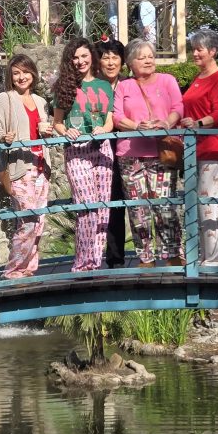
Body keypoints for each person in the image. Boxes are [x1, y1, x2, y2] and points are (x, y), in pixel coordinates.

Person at [114, 39, 184, 267]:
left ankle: (173, 253)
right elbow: (116, 116)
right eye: (141, 57)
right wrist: (137, 126)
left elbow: (178, 108)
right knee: (137, 209)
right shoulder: (124, 86)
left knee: (165, 206)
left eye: (150, 56)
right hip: (130, 154)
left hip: (161, 151)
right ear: (131, 63)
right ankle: (145, 257)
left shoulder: (167, 80)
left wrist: (166, 122)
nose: (147, 60)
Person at [0, 55, 53, 278]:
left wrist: (49, 131)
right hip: (20, 167)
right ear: (10, 77)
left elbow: (44, 129)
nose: (21, 77)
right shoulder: (4, 99)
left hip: (42, 168)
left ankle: (29, 268)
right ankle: (13, 270)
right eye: (16, 73)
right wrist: (3, 137)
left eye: (25, 72)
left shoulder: (41, 101)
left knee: (39, 221)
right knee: (27, 220)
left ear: (33, 74)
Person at [52, 38, 114, 271]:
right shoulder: (64, 87)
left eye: (84, 56)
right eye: (75, 57)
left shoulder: (104, 85)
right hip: (77, 149)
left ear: (92, 57)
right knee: (86, 205)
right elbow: (57, 122)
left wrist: (104, 130)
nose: (80, 61)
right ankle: (83, 261)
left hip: (102, 147)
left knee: (102, 206)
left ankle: (95, 261)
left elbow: (109, 120)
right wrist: (66, 130)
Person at [180, 29, 218, 264]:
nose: (195, 53)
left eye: (199, 49)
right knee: (202, 204)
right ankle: (205, 255)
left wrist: (198, 123)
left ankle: (216, 258)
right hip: (196, 149)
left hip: (214, 147)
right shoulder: (198, 78)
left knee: (214, 203)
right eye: (193, 49)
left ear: (213, 51)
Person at [97, 38, 128, 268]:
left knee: (129, 203)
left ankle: (145, 255)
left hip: (128, 149)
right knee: (108, 203)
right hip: (100, 152)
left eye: (115, 57)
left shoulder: (129, 86)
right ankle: (111, 258)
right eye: (105, 57)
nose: (110, 62)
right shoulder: (93, 87)